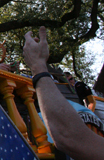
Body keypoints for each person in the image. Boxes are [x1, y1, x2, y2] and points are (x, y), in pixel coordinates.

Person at [23, 26, 104, 160]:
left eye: (70, 78)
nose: (69, 80)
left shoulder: (80, 87)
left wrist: (38, 66)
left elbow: (69, 137)